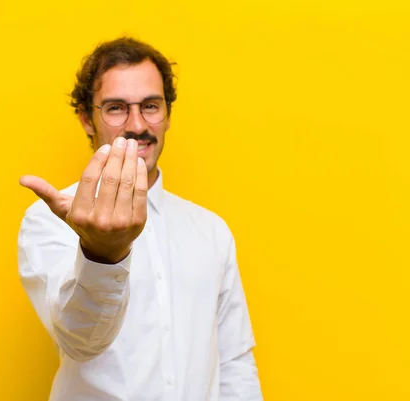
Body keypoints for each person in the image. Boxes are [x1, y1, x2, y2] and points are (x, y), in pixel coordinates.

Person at [18, 37, 263, 401]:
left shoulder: (211, 231)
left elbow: (234, 361)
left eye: (150, 105)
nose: (137, 124)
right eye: (116, 108)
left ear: (167, 115)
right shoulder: (49, 221)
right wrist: (102, 255)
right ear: (87, 118)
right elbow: (80, 341)